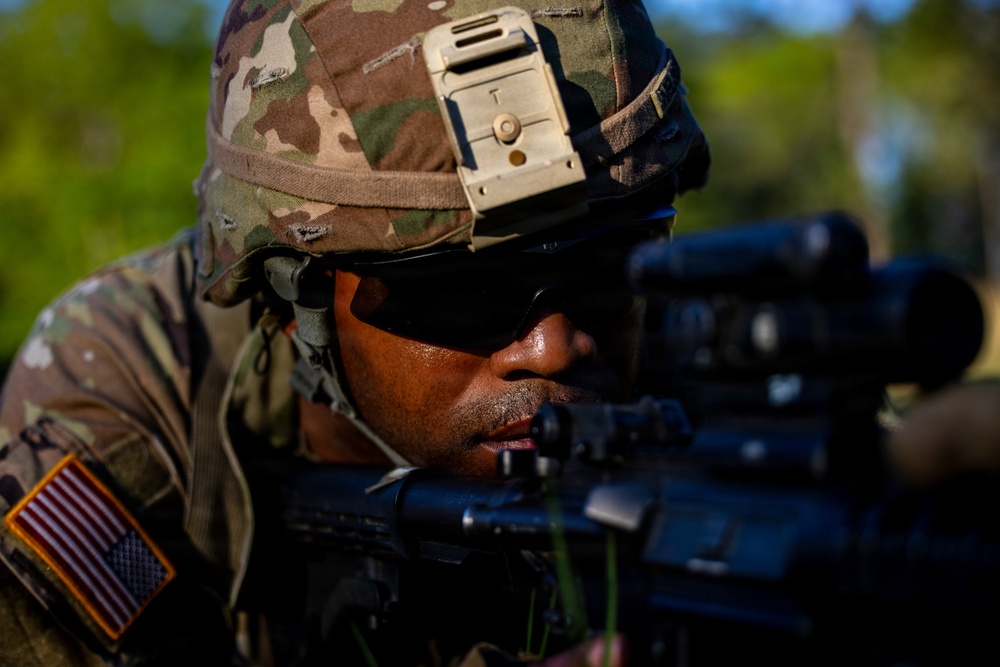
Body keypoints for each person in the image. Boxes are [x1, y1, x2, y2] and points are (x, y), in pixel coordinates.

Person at [0, 0, 711, 665]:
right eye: (460, 294)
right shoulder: (124, 391)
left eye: (612, 262)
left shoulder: (717, 378)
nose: (554, 347)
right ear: (291, 298)